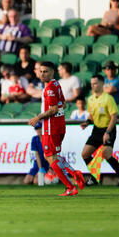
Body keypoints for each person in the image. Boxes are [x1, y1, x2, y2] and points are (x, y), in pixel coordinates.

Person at [28, 61, 85, 196]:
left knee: (49, 157)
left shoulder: (49, 89)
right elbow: (63, 105)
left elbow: (53, 109)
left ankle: (70, 186)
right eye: (41, 71)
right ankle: (74, 174)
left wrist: (39, 117)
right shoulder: (56, 84)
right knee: (54, 156)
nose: (42, 74)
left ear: (52, 72)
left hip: (51, 126)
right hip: (59, 125)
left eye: (45, 71)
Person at [80, 75, 119, 187]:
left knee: (106, 154)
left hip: (108, 129)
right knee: (85, 154)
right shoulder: (90, 99)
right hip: (96, 130)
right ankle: (95, 177)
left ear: (101, 84)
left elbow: (114, 117)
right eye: (91, 83)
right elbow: (91, 115)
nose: (93, 85)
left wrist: (108, 132)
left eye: (95, 83)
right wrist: (87, 122)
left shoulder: (108, 98)